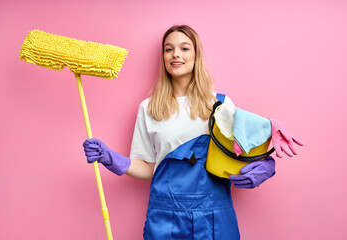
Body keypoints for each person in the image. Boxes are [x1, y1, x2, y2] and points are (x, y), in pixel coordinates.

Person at [83, 25, 276, 240]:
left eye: (184, 48)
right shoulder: (149, 108)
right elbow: (149, 167)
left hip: (214, 218)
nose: (175, 54)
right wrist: (111, 158)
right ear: (163, 58)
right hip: (165, 219)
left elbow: (240, 155)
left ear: (196, 55)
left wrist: (265, 166)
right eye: (168, 49)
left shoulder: (220, 105)